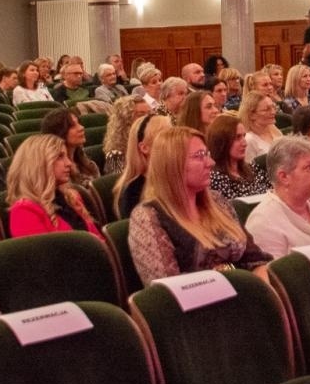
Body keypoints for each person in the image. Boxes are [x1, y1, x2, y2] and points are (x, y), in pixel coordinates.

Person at [127, 126, 269, 282]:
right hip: (199, 302)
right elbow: (168, 289)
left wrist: (264, 292)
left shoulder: (217, 201)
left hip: (245, 291)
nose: (210, 162)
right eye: (200, 156)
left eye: (207, 154)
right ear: (173, 164)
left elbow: (255, 259)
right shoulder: (148, 217)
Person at [4, 132, 101, 237]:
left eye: (66, 156)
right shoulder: (24, 212)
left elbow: (98, 241)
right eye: (59, 157)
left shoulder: (72, 197)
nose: (69, 163)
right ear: (39, 164)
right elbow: (44, 253)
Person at [206, 114, 271, 200]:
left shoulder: (253, 169)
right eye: (237, 137)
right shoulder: (215, 179)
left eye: (244, 136)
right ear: (221, 142)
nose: (244, 143)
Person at [114, 112, 166, 221]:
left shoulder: (177, 175)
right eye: (164, 137)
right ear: (144, 148)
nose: (173, 141)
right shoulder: (133, 192)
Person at [39, 107, 100, 190]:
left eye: (78, 123)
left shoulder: (87, 163)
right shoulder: (56, 173)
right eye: (73, 126)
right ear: (60, 132)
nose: (81, 128)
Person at [103, 96, 153, 174]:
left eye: (150, 114)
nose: (149, 118)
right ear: (126, 120)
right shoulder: (114, 154)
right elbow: (117, 182)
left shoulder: (154, 140)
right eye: (141, 115)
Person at [238, 90, 282, 159]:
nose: (273, 112)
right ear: (252, 115)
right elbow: (249, 167)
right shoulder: (249, 140)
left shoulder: (273, 129)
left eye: (273, 107)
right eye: (266, 109)